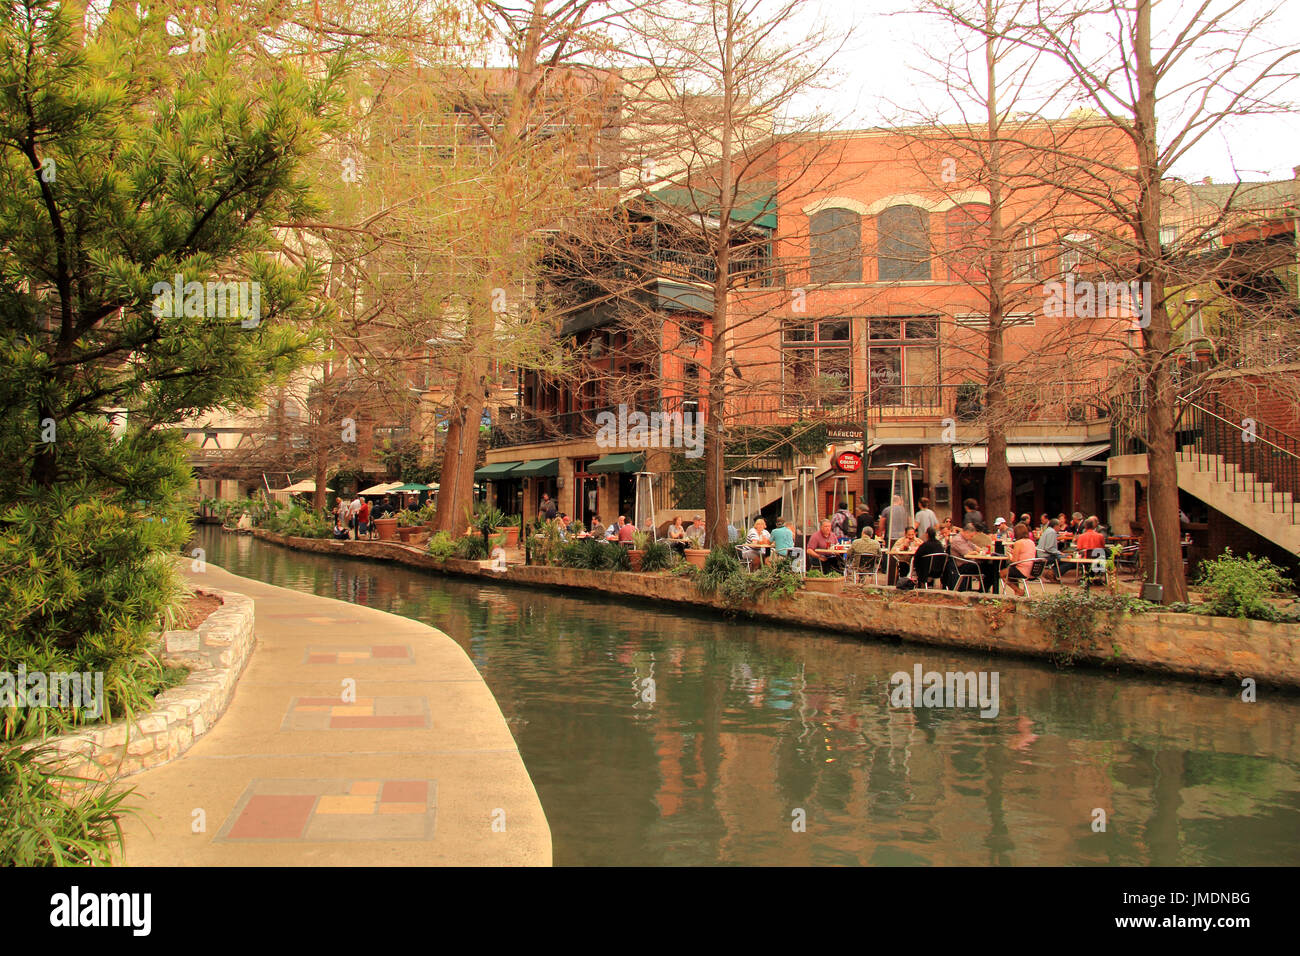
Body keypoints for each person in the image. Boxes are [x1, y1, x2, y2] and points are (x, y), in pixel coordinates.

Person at [1002, 523, 1038, 596]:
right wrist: (1013, 551)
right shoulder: (1031, 542)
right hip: (1032, 570)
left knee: (1002, 573)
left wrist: (1009, 556)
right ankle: (1017, 592)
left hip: (1022, 570)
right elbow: (1024, 553)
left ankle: (1018, 590)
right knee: (1010, 571)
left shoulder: (1018, 543)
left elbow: (1014, 561)